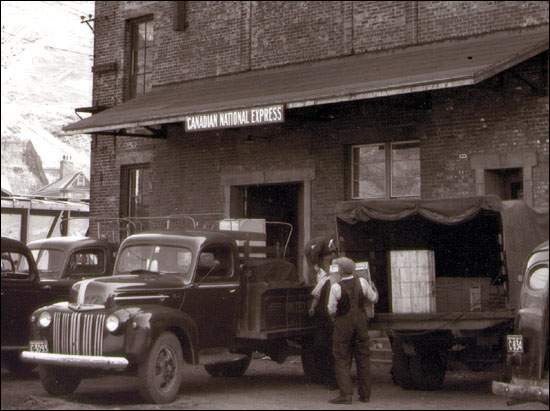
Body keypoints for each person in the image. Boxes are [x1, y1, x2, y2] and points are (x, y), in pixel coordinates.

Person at [327, 257, 378, 404]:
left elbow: (331, 309)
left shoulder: (336, 287)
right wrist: (374, 288)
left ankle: (346, 394)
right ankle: (365, 395)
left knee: (341, 358)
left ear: (341, 271)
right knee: (363, 358)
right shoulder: (362, 282)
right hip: (361, 323)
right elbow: (373, 298)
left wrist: (335, 318)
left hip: (343, 324)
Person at [305, 236, 338, 387]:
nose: (331, 257)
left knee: (329, 348)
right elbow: (317, 294)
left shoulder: (331, 275)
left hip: (330, 316)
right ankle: (326, 377)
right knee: (322, 347)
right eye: (329, 255)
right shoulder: (321, 275)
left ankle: (331, 379)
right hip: (324, 317)